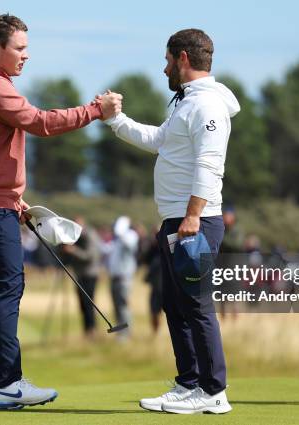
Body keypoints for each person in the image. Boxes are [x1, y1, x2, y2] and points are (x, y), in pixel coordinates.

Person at [0, 14, 121, 410]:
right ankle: (9, 383)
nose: (27, 56)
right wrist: (96, 109)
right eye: (20, 48)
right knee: (7, 290)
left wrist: (14, 198)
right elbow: (41, 123)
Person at [103, 28, 240, 414]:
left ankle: (213, 392)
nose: (164, 67)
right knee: (175, 305)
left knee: (196, 306)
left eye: (167, 60)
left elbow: (210, 165)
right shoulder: (185, 103)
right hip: (176, 220)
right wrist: (117, 120)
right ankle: (189, 383)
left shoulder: (207, 105)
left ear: (182, 58)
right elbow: (159, 141)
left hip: (194, 220)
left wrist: (193, 216)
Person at [61, 216, 102, 339]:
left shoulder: (90, 235)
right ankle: (87, 332)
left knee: (88, 304)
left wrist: (73, 250)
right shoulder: (77, 236)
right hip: (80, 275)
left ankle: (92, 331)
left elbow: (89, 256)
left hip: (90, 275)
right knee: (83, 305)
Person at [107, 216, 139, 340]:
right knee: (116, 307)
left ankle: (126, 334)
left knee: (123, 307)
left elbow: (130, 246)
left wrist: (121, 231)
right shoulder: (118, 239)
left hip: (124, 279)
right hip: (114, 278)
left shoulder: (130, 235)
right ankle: (120, 333)